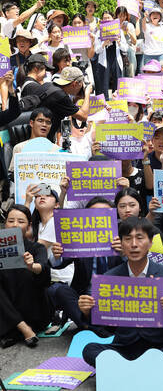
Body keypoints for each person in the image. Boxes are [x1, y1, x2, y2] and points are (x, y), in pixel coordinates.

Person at [79, 217, 163, 390]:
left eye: (140, 238)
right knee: (89, 350)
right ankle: (156, 372)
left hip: (159, 344)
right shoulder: (110, 277)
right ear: (121, 244)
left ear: (151, 242)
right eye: (128, 239)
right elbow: (102, 324)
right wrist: (86, 311)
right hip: (124, 345)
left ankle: (122, 372)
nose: (134, 244)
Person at [47, 198, 123, 336]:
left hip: (115, 296)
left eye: (103, 213)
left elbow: (138, 266)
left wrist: (124, 253)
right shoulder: (79, 239)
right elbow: (58, 264)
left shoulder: (122, 238)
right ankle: (92, 328)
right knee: (61, 291)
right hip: (85, 299)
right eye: (94, 213)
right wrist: (57, 255)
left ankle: (94, 329)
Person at [0, 205, 51, 348]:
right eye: (11, 221)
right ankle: (22, 328)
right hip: (6, 309)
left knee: (24, 273)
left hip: (34, 311)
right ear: (5, 224)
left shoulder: (37, 248)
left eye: (20, 221)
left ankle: (17, 330)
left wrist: (32, 267)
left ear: (28, 226)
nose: (15, 224)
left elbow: (44, 274)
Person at [40, 66, 91, 140]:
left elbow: (66, 108)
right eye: (81, 84)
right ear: (75, 84)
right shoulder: (61, 96)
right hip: (42, 139)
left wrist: (76, 99)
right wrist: (87, 94)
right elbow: (84, 117)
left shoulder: (48, 85)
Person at [8, 107, 60, 173]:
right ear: (31, 123)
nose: (44, 125)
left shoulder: (57, 150)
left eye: (48, 122)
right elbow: (12, 175)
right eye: (40, 121)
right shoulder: (19, 148)